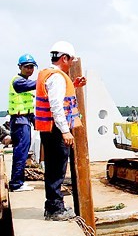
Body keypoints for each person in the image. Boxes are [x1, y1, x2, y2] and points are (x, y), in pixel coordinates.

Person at [35, 41, 87, 221]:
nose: (72, 62)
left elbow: (57, 96)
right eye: (71, 59)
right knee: (57, 170)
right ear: (64, 58)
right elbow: (56, 105)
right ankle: (55, 209)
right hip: (56, 130)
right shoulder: (57, 77)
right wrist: (65, 131)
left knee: (53, 168)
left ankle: (53, 205)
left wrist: (73, 84)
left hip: (48, 129)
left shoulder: (50, 75)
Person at [8, 54, 38, 192]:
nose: (29, 69)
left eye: (32, 67)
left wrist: (34, 120)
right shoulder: (19, 82)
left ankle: (19, 182)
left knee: (23, 151)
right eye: (27, 67)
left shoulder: (24, 82)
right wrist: (48, 78)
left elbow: (28, 107)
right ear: (20, 67)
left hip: (24, 119)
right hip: (19, 121)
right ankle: (16, 183)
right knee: (21, 152)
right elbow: (34, 84)